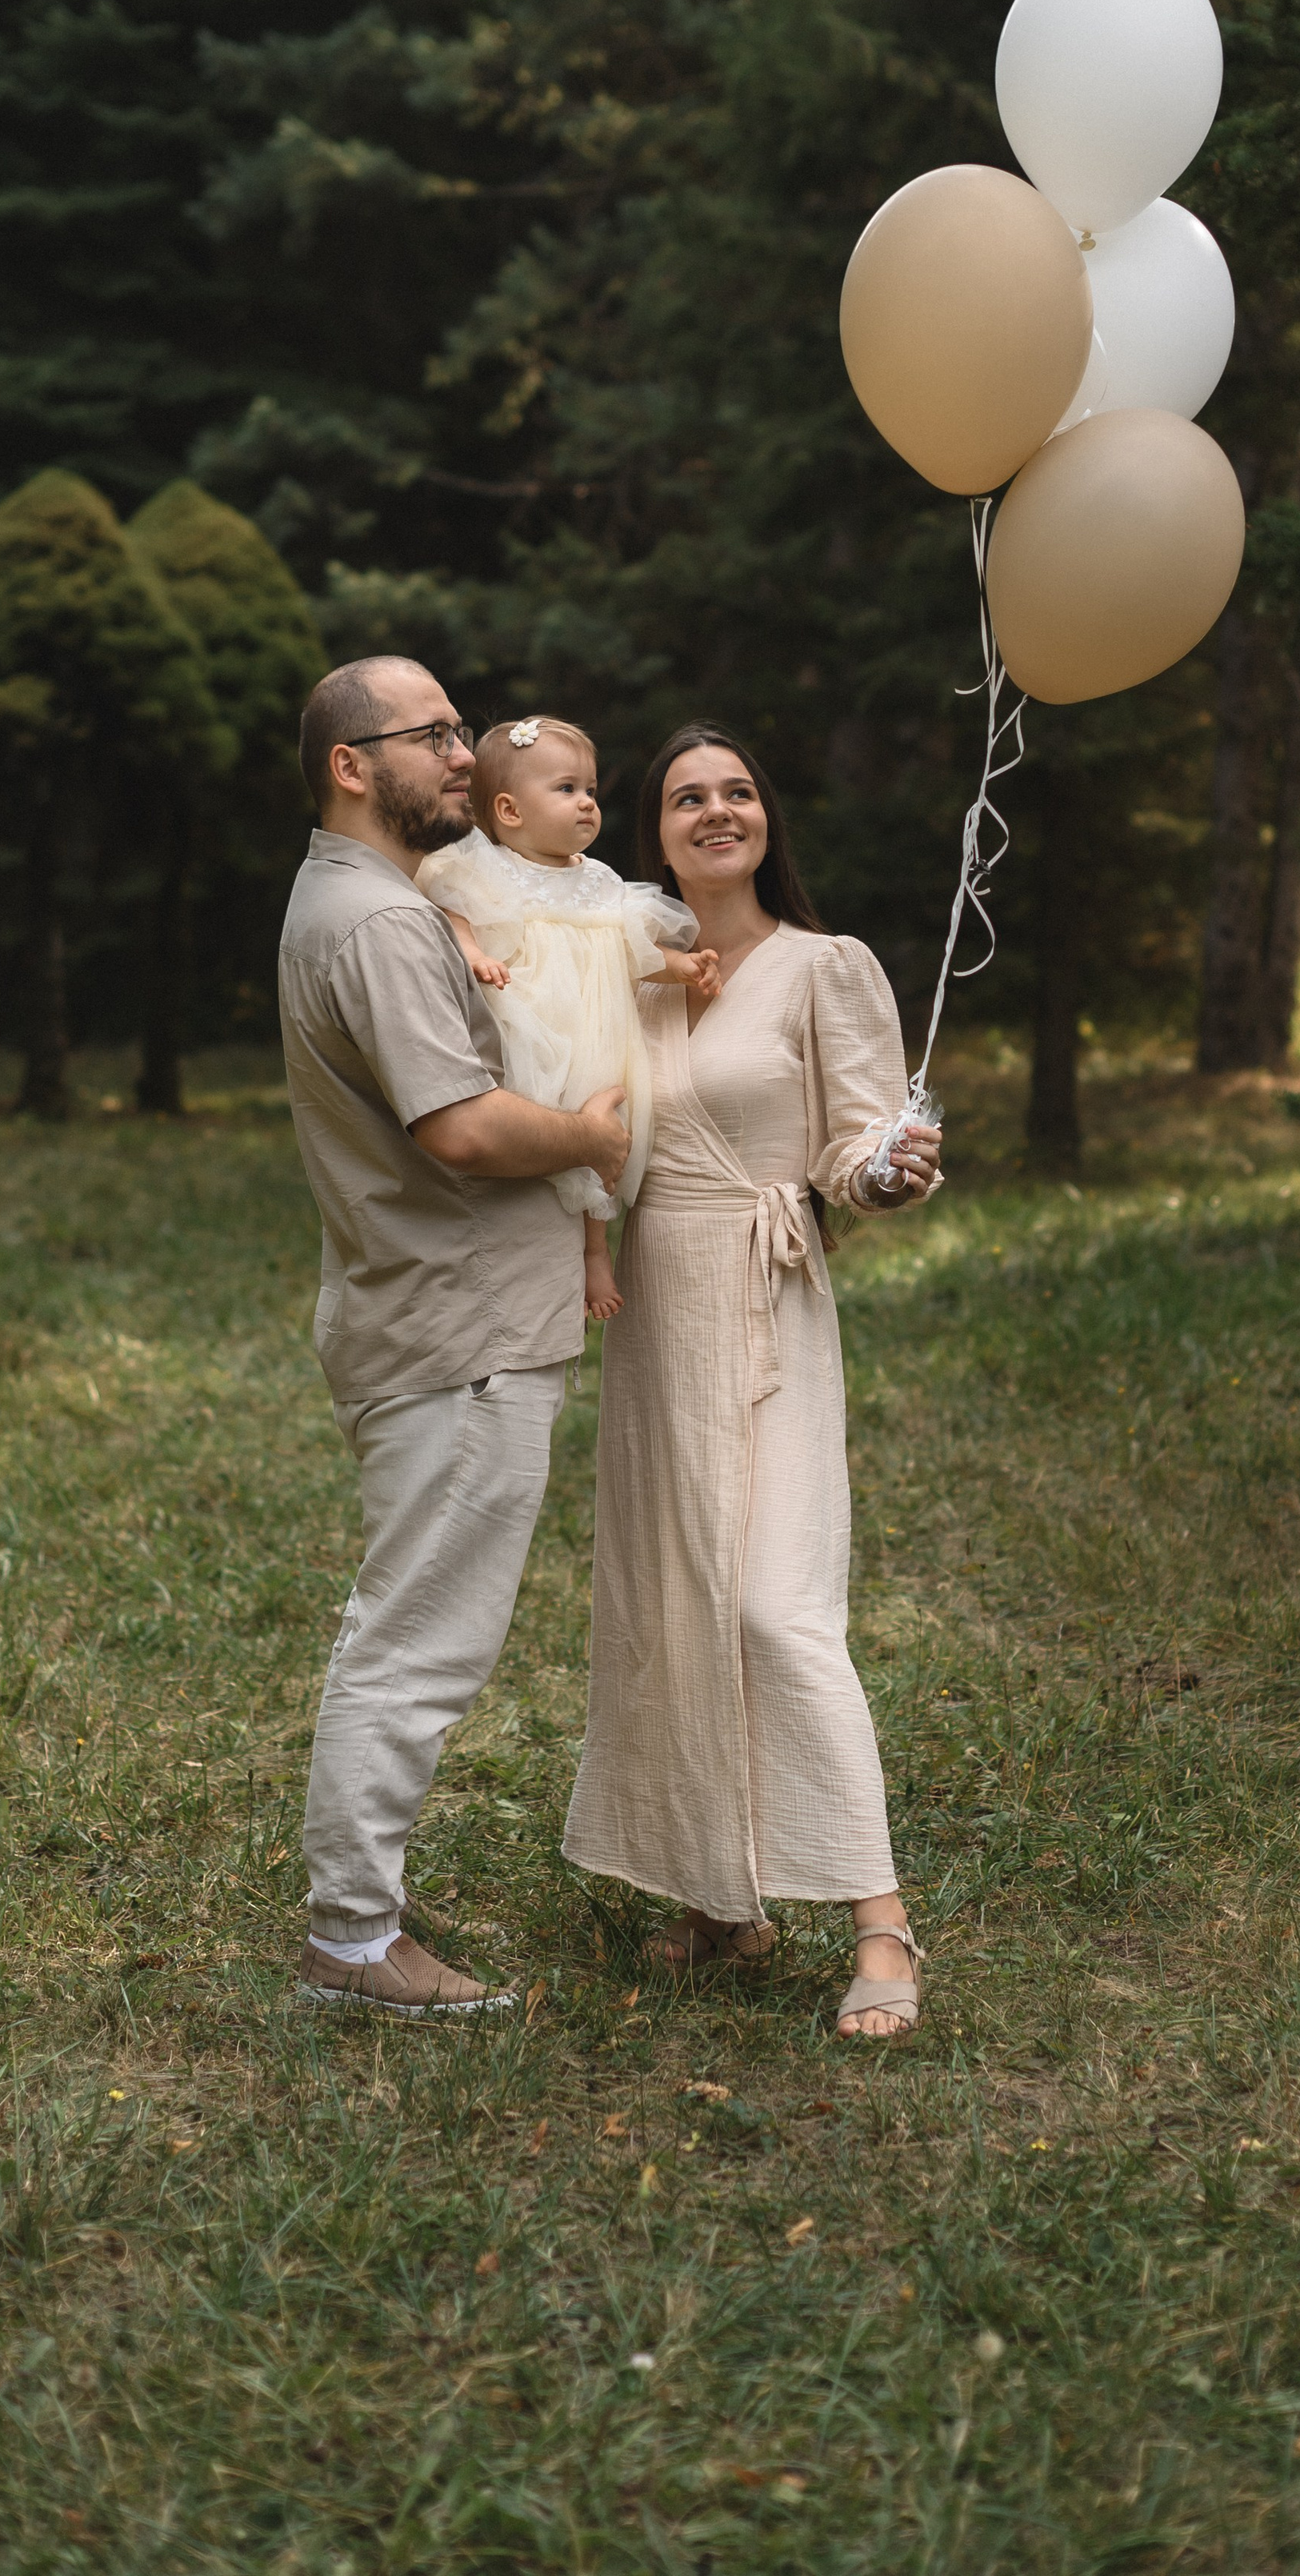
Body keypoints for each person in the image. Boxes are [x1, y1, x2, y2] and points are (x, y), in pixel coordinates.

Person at [562, 724, 943, 2039]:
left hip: (765, 1299)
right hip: (656, 1315)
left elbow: (855, 1145)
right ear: (653, 832)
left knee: (779, 1605)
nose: (715, 810)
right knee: (679, 1597)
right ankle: (724, 1896)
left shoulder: (823, 967)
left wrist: (883, 1171)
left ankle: (881, 1918)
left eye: (736, 791)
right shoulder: (635, 978)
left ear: (766, 817)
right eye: (686, 797)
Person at [278, 655, 631, 2019]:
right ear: (351, 764)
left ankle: (360, 1913)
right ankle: (354, 1941)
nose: (464, 756)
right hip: (457, 1328)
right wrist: (597, 1135)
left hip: (431, 1311)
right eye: (432, 735)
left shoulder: (369, 901)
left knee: (411, 1625)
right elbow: (466, 1126)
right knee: (417, 1640)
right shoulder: (375, 922)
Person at [417, 715, 719, 1326]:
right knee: (536, 1121)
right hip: (529, 1020)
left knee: (598, 1127)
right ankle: (531, 1243)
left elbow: (625, 947)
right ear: (509, 809)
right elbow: (449, 911)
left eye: (590, 790)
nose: (586, 803)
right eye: (566, 790)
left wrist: (681, 966)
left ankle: (593, 1252)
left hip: (596, 1031)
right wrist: (473, 951)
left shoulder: (598, 879)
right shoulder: (486, 869)